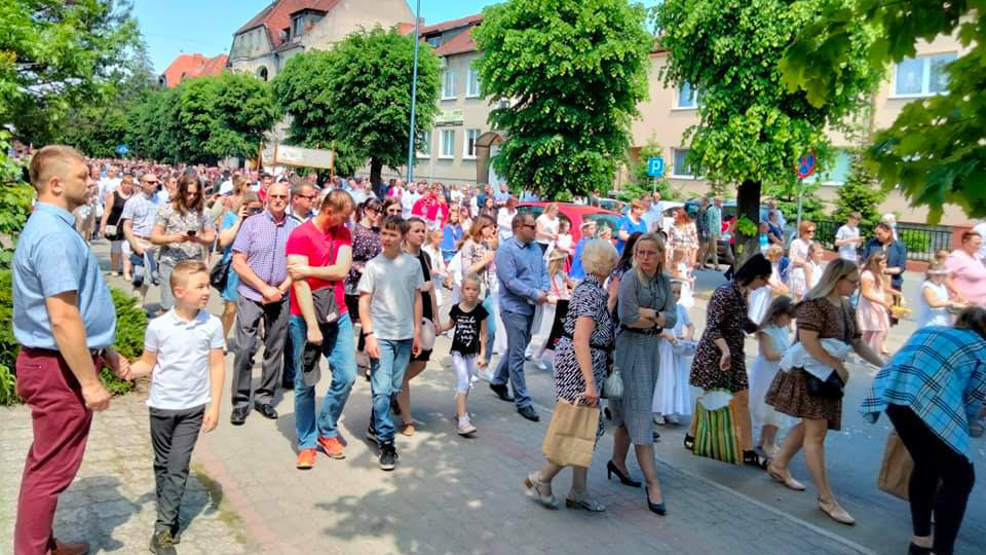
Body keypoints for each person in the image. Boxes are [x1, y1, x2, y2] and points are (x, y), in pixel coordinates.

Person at [13, 145, 130, 555]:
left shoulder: (55, 228)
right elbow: (62, 319)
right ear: (57, 184)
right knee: (50, 472)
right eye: (84, 175)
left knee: (44, 464)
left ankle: (42, 543)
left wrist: (107, 351)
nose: (92, 180)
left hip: (57, 364)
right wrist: (89, 382)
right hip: (57, 370)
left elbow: (78, 309)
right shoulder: (53, 236)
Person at [765, 259, 884, 525]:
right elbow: (808, 342)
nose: (856, 287)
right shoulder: (813, 304)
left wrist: (885, 366)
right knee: (816, 434)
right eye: (852, 282)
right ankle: (826, 499)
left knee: (812, 428)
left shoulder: (845, 306)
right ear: (837, 279)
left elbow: (856, 342)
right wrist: (836, 366)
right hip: (808, 375)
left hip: (824, 375)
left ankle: (779, 464)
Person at [859, 308, 986, 555]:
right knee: (960, 477)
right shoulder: (982, 348)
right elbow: (975, 400)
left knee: (926, 466)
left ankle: (921, 541)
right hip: (929, 404)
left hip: (893, 396)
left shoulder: (929, 330)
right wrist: (974, 422)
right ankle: (942, 549)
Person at [124, 261, 225, 554]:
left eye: (207, 285)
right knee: (162, 464)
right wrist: (127, 370)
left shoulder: (212, 324)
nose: (207, 291)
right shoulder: (158, 326)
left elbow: (217, 366)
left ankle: (163, 529)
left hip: (192, 408)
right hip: (161, 407)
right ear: (179, 292)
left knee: (178, 466)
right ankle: (169, 514)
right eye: (200, 287)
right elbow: (148, 363)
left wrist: (215, 406)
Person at [524, 239, 619, 512]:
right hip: (581, 367)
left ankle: (578, 490)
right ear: (608, 264)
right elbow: (581, 339)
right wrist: (590, 383)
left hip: (583, 364)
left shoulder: (591, 289)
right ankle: (542, 478)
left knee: (584, 426)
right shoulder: (591, 292)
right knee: (578, 426)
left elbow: (594, 325)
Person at [285, 189, 357, 468]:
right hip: (304, 318)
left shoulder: (343, 233)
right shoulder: (300, 235)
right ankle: (307, 442)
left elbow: (341, 271)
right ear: (329, 211)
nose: (347, 222)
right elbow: (298, 284)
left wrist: (309, 270)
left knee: (347, 375)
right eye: (344, 216)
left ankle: (327, 428)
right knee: (305, 383)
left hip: (337, 314)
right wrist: (312, 328)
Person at [607, 233, 677, 514]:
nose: (645, 257)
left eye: (651, 253)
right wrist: (655, 317)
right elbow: (627, 318)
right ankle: (653, 483)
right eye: (641, 252)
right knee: (640, 416)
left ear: (660, 254)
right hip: (630, 348)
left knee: (628, 412)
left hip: (651, 350)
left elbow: (672, 316)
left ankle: (617, 462)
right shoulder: (629, 279)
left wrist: (651, 314)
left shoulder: (663, 280)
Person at [685, 254, 772, 468]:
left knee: (726, 397)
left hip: (732, 353)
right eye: (764, 280)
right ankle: (747, 450)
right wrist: (725, 352)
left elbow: (741, 321)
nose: (765, 285)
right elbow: (713, 326)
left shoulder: (742, 293)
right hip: (716, 353)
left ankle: (692, 436)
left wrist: (763, 327)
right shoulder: (725, 293)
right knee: (723, 396)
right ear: (756, 276)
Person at [358, 215, 424, 470]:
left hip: (405, 336)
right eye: (384, 233)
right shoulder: (374, 266)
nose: (386, 238)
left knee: (394, 387)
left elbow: (417, 298)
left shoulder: (412, 265)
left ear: (402, 237)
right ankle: (387, 442)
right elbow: (364, 301)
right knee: (382, 389)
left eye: (392, 234)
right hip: (381, 336)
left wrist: (417, 331)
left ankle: (375, 424)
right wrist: (369, 335)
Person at [229, 182, 298, 425]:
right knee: (246, 348)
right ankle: (240, 402)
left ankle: (265, 398)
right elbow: (239, 262)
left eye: (283, 196)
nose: (278, 200)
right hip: (251, 293)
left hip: (280, 295)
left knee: (275, 349)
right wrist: (263, 288)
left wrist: (281, 289)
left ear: (289, 199)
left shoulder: (294, 228)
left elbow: (297, 265)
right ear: (266, 197)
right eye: (274, 196)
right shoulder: (252, 224)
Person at [490, 213, 550, 421]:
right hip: (514, 308)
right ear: (518, 227)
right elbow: (510, 281)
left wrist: (544, 289)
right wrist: (534, 294)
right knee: (517, 355)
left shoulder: (535, 249)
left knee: (518, 348)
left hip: (533, 308)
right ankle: (523, 401)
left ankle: (498, 380)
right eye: (532, 227)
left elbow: (544, 271)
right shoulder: (506, 250)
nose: (536, 231)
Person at [394, 217, 441, 436]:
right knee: (405, 366)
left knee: (421, 363)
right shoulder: (399, 257)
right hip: (406, 315)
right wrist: (420, 288)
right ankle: (407, 418)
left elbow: (431, 289)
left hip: (425, 316)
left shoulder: (425, 256)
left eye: (423, 231)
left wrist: (437, 318)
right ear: (406, 233)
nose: (421, 235)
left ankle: (396, 389)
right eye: (417, 231)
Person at [150, 175, 216, 312]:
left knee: (192, 306)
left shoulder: (204, 211)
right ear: (181, 191)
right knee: (168, 306)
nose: (191, 197)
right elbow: (155, 237)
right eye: (188, 193)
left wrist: (198, 238)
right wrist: (174, 238)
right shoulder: (167, 209)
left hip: (193, 263)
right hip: (170, 261)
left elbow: (211, 237)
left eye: (195, 194)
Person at [440, 273, 489, 436]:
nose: (471, 292)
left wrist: (482, 355)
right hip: (457, 352)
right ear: (462, 290)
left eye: (474, 289)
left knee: (467, 382)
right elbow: (449, 324)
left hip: (472, 353)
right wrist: (438, 328)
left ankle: (459, 411)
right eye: (467, 289)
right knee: (462, 380)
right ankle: (463, 420)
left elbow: (484, 335)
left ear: (479, 291)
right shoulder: (456, 309)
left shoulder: (481, 311)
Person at [749, 296, 795, 459]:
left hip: (778, 371)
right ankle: (768, 443)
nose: (789, 321)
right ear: (777, 313)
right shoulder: (766, 330)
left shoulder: (783, 328)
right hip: (767, 373)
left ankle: (766, 440)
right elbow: (769, 354)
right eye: (787, 317)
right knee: (769, 408)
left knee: (776, 410)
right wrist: (790, 354)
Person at [217, 191, 260, 344]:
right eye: (252, 209)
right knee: (230, 308)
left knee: (250, 310)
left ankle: (247, 342)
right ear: (243, 207)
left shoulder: (261, 221)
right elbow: (223, 242)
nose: (255, 213)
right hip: (235, 269)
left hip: (255, 269)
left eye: (258, 209)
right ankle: (221, 339)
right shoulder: (231, 218)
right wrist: (240, 220)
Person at [652, 280, 694, 426]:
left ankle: (671, 409)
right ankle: (658, 409)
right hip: (664, 349)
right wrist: (666, 335)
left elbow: (690, 326)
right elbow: (654, 328)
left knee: (676, 379)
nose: (676, 295)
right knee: (664, 377)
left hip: (676, 348)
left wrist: (688, 337)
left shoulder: (681, 309)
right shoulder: (660, 310)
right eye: (673, 292)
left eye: (678, 292)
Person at [121, 172, 163, 301]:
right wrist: (134, 245)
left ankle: (139, 305)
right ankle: (136, 309)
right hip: (140, 241)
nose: (154, 185)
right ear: (142, 184)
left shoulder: (159, 200)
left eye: (156, 182)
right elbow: (126, 225)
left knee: (150, 277)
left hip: (155, 242)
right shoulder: (133, 201)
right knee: (140, 277)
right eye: (151, 182)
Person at [530, 249, 572, 370]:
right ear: (556, 261)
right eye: (562, 261)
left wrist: (567, 293)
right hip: (550, 308)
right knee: (550, 335)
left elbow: (568, 287)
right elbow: (543, 294)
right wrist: (553, 298)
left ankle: (540, 356)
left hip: (559, 307)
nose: (564, 264)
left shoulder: (561, 274)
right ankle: (552, 361)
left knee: (554, 335)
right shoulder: (545, 276)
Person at [857, 252, 896, 355]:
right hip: (871, 305)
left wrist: (896, 292)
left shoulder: (878, 273)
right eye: (883, 263)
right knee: (879, 330)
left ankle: (864, 353)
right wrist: (883, 302)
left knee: (874, 330)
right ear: (876, 263)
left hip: (877, 305)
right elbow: (866, 293)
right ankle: (874, 354)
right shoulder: (868, 275)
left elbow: (881, 287)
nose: (885, 265)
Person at [98, 174, 134, 278]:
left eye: (130, 184)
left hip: (128, 226)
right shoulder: (114, 195)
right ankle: (114, 269)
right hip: (115, 225)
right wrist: (102, 225)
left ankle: (126, 272)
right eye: (126, 184)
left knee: (127, 248)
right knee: (116, 248)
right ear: (122, 184)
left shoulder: (133, 196)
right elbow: (107, 211)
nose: (128, 186)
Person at [748, 245, 788, 325]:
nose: (779, 258)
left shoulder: (774, 264)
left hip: (769, 290)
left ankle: (759, 324)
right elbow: (765, 278)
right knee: (757, 307)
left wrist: (780, 284)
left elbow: (776, 276)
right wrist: (774, 285)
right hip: (761, 289)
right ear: (773, 254)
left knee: (764, 308)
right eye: (778, 256)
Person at [945, 231, 986, 307]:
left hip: (980, 305)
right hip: (966, 306)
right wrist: (957, 293)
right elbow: (946, 278)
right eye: (976, 243)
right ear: (965, 242)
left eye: (980, 243)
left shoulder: (976, 257)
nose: (979, 246)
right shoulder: (956, 257)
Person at [917, 263, 960, 328]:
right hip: (931, 320)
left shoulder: (941, 286)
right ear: (931, 275)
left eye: (943, 275)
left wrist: (955, 300)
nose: (941, 277)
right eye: (937, 275)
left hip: (943, 319)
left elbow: (943, 300)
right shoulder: (928, 287)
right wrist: (951, 303)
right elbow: (933, 303)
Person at [787, 220, 815, 301]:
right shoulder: (796, 242)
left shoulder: (812, 243)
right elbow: (792, 258)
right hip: (798, 272)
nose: (811, 233)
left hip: (809, 272)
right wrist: (805, 263)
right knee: (797, 298)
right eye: (809, 231)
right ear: (802, 231)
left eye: (813, 231)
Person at [705, 197, 723, 270]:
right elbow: (709, 222)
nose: (720, 203)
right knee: (714, 249)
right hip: (712, 232)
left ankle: (703, 262)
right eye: (719, 201)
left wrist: (720, 233)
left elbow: (719, 222)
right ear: (715, 202)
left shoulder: (719, 210)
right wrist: (709, 233)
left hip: (717, 232)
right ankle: (716, 266)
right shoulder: (710, 210)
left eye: (720, 201)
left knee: (710, 248)